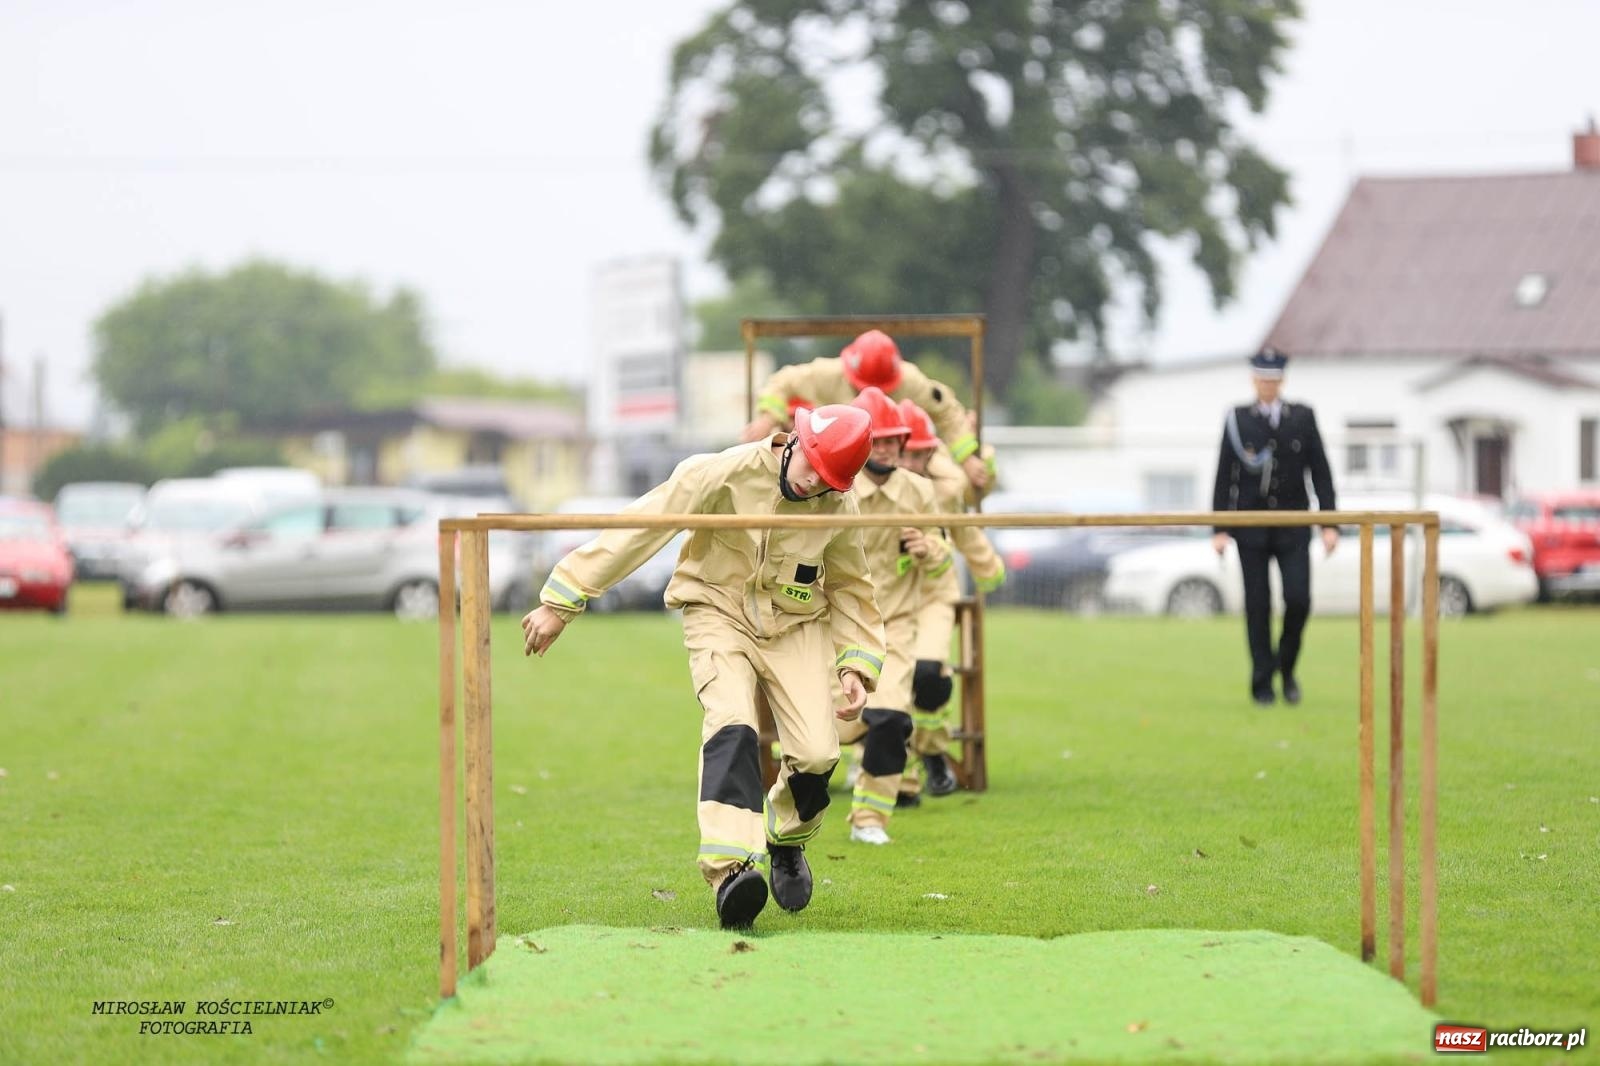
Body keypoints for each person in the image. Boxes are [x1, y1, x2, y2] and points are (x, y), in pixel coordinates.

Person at [521, 405, 887, 931]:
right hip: (718, 611)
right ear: (794, 441)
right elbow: (643, 526)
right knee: (732, 727)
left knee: (818, 753)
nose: (814, 485)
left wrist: (855, 664)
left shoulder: (838, 502)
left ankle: (786, 839)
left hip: (796, 623)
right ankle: (731, 870)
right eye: (812, 468)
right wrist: (563, 601)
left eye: (829, 480)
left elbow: (853, 585)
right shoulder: (720, 472)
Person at [830, 387, 949, 844]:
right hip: (836, 625)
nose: (884, 449)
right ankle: (794, 813)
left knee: (891, 721)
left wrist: (930, 548)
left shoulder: (919, 491)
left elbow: (943, 554)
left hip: (894, 626)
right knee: (820, 735)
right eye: (875, 441)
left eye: (892, 442)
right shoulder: (836, 486)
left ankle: (869, 820)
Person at [1211, 347, 1339, 706]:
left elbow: (1321, 471)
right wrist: (1218, 528)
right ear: (1254, 380)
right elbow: (1225, 475)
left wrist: (1330, 523)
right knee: (1257, 605)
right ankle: (1262, 683)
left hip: (1292, 526)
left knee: (1298, 600)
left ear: (1281, 380)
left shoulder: (1302, 416)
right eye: (1261, 379)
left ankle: (1286, 667)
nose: (1268, 385)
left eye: (1273, 380)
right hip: (1250, 527)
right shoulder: (1238, 419)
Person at [894, 400, 1005, 801]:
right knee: (887, 682)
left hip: (934, 592)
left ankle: (933, 752)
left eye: (921, 453)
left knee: (929, 674)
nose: (911, 461)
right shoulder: (869, 486)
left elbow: (967, 523)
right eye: (906, 452)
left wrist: (978, 451)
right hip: (887, 597)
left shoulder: (947, 487)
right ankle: (895, 772)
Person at [739, 329, 992, 493]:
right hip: (843, 461)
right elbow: (784, 381)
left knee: (959, 486)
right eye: (862, 389)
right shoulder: (829, 374)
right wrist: (768, 418)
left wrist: (968, 459)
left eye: (882, 390)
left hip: (898, 461)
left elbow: (945, 409)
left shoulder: (910, 381)